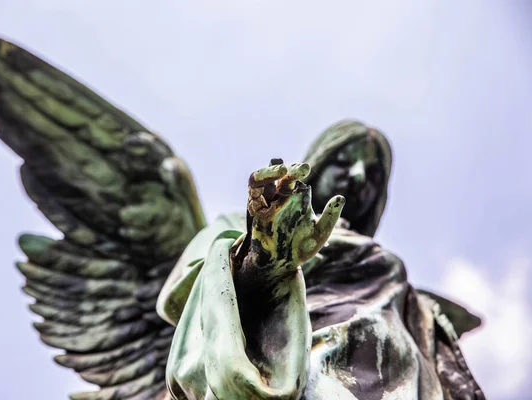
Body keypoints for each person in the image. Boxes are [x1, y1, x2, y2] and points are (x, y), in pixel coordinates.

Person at [157, 120, 485, 399]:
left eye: (372, 175)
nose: (357, 177)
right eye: (344, 161)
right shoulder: (244, 223)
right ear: (320, 162)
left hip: (402, 383)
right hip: (305, 369)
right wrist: (262, 254)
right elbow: (180, 299)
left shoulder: (385, 266)